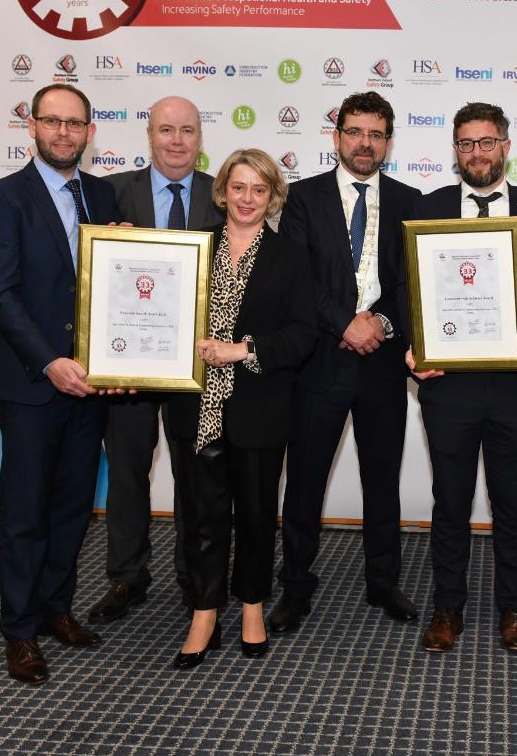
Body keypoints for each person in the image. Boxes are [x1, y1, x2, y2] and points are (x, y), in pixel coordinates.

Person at [410, 102, 517, 653]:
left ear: (506, 146)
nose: (476, 153)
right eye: (466, 144)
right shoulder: (428, 207)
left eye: (486, 142)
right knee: (450, 501)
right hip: (448, 380)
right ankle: (447, 610)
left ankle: (514, 609)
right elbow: (405, 284)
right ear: (455, 150)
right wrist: (410, 348)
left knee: (512, 502)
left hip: (516, 385)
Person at [0, 83, 120, 683]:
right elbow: (1, 296)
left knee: (71, 507)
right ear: (31, 126)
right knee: (25, 511)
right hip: (34, 383)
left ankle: (57, 609)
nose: (64, 133)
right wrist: (49, 362)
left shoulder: (103, 195)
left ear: (90, 131)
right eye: (52, 122)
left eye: (75, 124)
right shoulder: (2, 197)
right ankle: (20, 631)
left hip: (92, 383)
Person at [270, 92, 422, 633]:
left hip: (382, 364)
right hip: (321, 362)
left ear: (388, 141)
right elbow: (298, 278)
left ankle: (384, 583)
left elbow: (410, 284)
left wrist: (378, 324)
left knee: (382, 479)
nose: (365, 143)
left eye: (376, 134)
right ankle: (295, 588)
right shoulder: (302, 198)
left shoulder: (410, 200)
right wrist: (345, 323)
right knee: (306, 480)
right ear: (336, 137)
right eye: (355, 132)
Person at [164, 148, 317, 668]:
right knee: (202, 519)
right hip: (196, 407)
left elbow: (302, 335)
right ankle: (204, 612)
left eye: (259, 189)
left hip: (259, 408)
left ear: (272, 196)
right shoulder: (191, 249)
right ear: (222, 190)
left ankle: (252, 605)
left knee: (254, 517)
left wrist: (242, 349)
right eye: (238, 187)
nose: (247, 198)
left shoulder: (292, 257)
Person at [87, 96, 220, 625]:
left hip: (198, 364)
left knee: (197, 476)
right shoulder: (112, 193)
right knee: (126, 473)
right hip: (129, 366)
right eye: (166, 130)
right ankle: (126, 578)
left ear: (199, 137)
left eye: (187, 130)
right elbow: (87, 271)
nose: (177, 141)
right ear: (148, 135)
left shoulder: (223, 192)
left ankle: (195, 576)